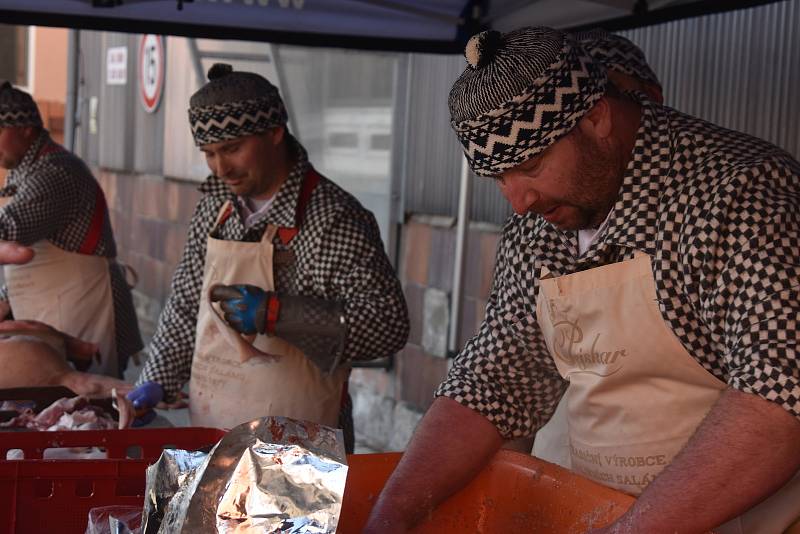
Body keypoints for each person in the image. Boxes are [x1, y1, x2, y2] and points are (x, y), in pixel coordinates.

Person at [365, 27, 800, 533]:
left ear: (596, 117)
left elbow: (780, 395)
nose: (518, 202)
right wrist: (387, 519)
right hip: (599, 514)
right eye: (499, 179)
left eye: (530, 166)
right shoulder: (541, 224)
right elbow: (493, 383)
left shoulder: (739, 194)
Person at [135, 64, 409, 452]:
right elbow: (184, 305)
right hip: (211, 433)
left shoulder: (332, 218)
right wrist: (156, 379)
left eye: (232, 149)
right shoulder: (216, 206)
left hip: (299, 448)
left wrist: (277, 314)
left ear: (275, 132)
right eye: (209, 153)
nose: (220, 168)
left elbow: (388, 325)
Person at [530, 28, 665, 467]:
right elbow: (505, 372)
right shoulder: (545, 213)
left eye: (619, 95)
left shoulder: (719, 197)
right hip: (568, 456)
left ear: (654, 96)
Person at [0, 82, 143, 379]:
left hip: (86, 311)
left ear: (26, 129)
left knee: (86, 407)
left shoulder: (55, 172)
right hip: (48, 308)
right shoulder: (23, 172)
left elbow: (8, 227)